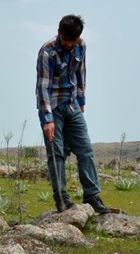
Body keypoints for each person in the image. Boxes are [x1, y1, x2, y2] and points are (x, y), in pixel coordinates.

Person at [37, 14, 111, 214]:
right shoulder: (47, 51)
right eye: (67, 40)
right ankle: (62, 199)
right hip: (52, 109)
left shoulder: (81, 46)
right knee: (57, 154)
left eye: (73, 41)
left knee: (85, 150)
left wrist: (81, 100)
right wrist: (47, 119)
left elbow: (80, 73)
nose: (70, 45)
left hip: (72, 105)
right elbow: (42, 87)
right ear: (60, 33)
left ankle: (92, 196)